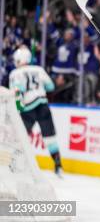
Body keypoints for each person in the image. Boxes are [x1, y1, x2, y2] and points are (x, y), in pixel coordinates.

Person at [9, 46, 63, 176]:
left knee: (21, 137)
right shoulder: (39, 69)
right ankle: (58, 166)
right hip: (43, 106)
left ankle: (15, 163)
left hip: (27, 109)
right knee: (50, 138)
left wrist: (18, 108)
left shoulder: (15, 73)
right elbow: (50, 86)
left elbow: (17, 92)